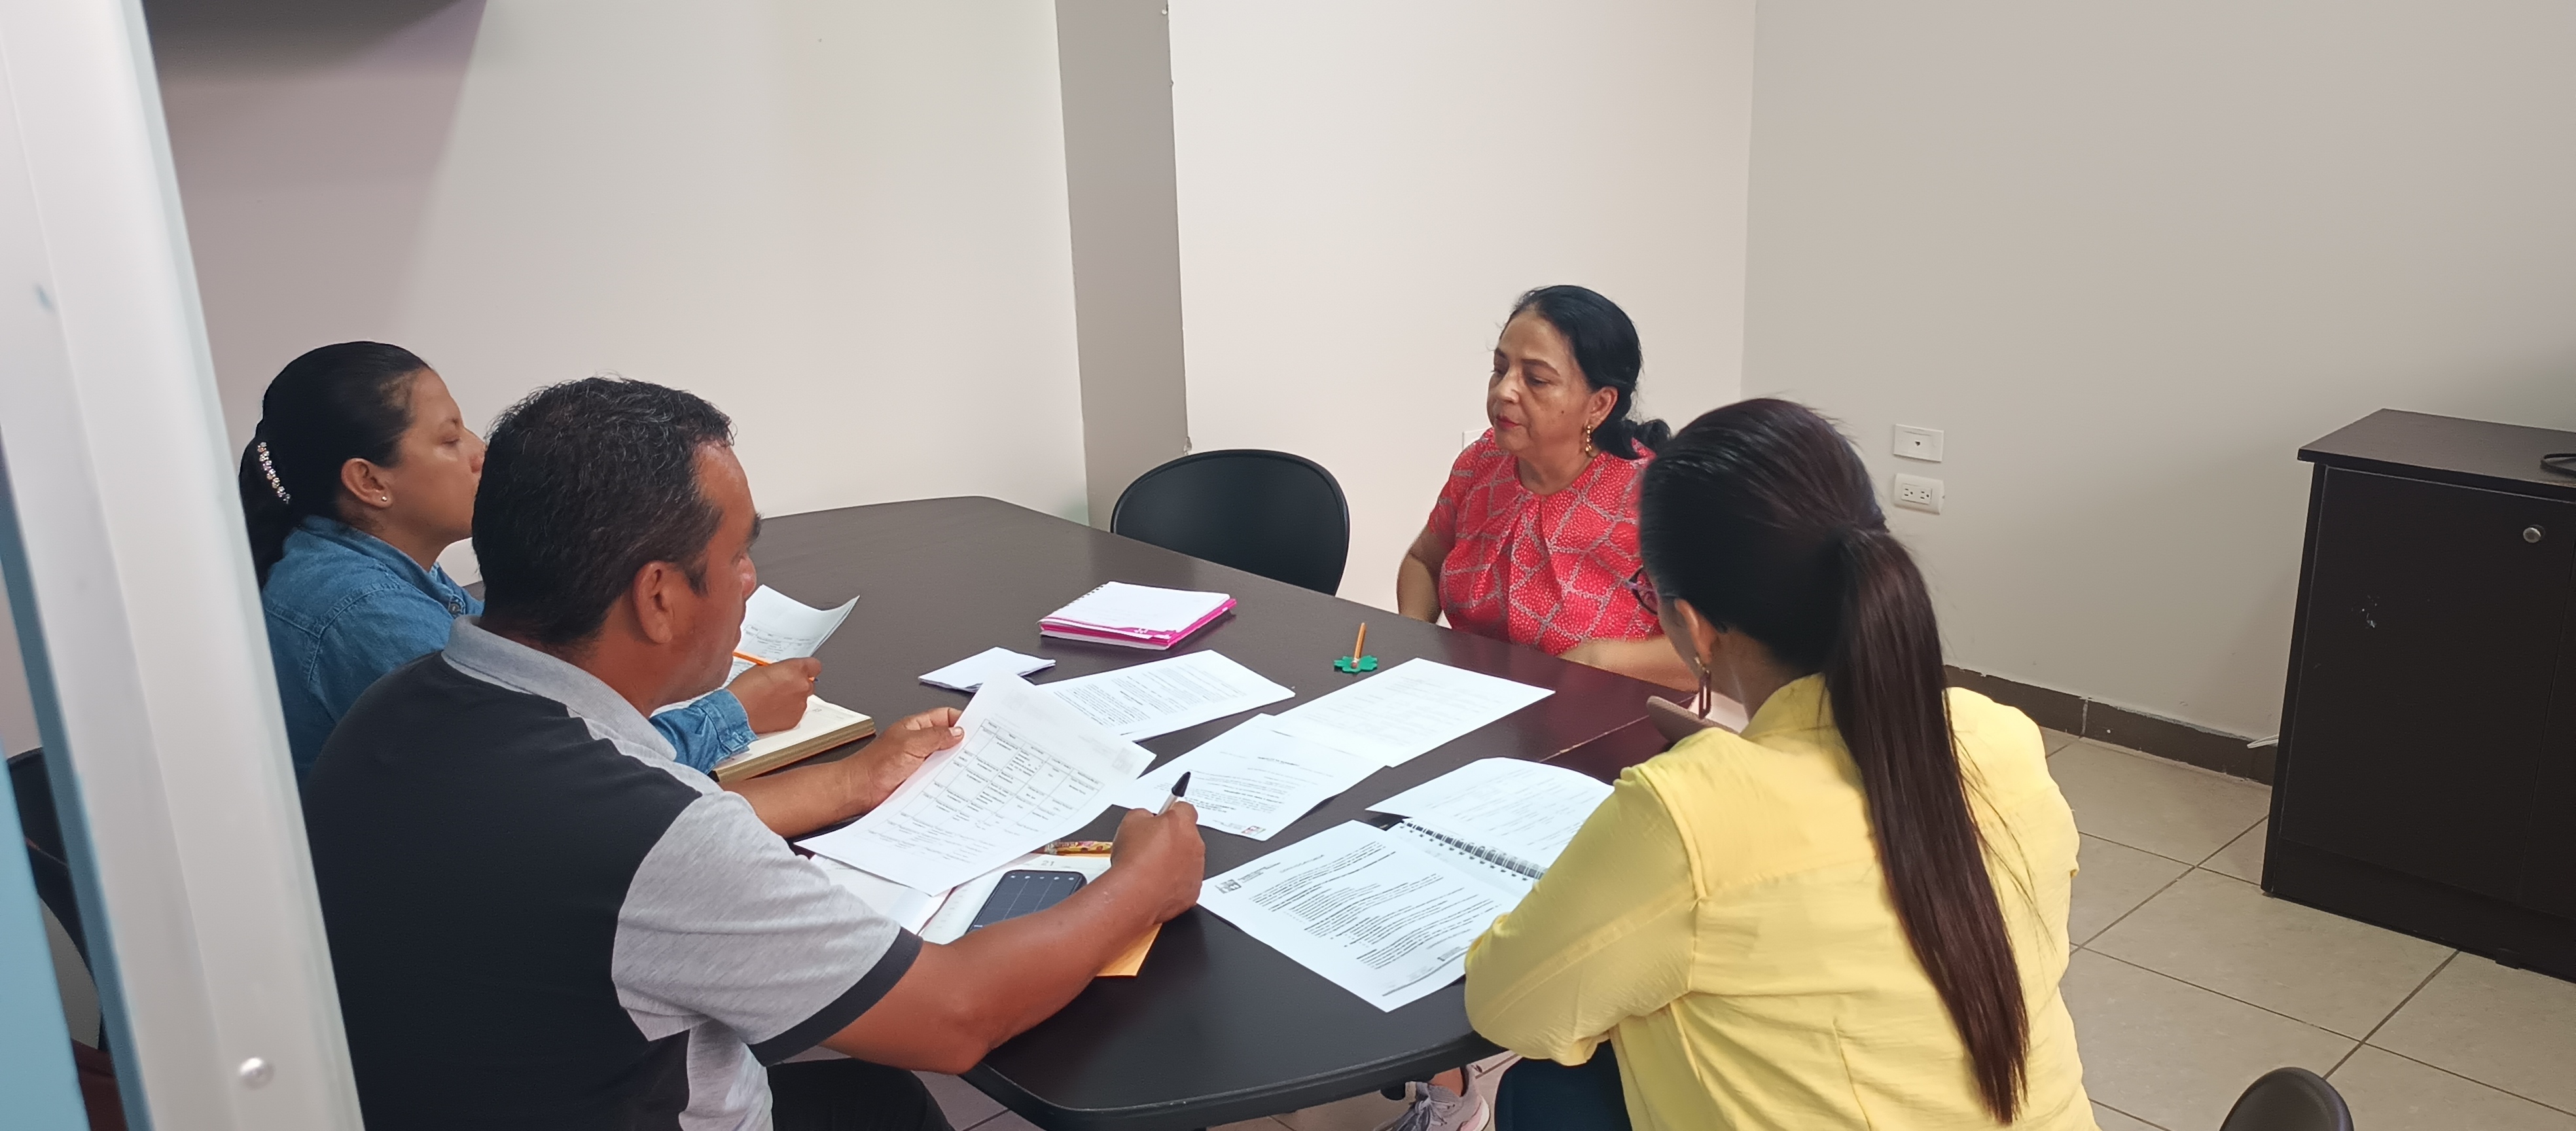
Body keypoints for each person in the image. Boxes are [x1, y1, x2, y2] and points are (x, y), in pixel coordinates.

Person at [304, 376, 1205, 1130]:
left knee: (877, 1103)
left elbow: (592, 861)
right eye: (738, 555)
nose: (751, 581)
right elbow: (954, 1015)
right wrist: (1144, 886)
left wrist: (847, 782)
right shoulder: (651, 832)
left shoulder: (393, 713)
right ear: (659, 598)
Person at [1461, 399, 2092, 1130]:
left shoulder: (1691, 810)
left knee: (1548, 1091)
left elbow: (1508, 1007)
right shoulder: (1998, 737)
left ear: (1692, 626)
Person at [238, 342, 814, 782]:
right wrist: (733, 712)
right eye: (449, 440)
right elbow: (560, 774)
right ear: (369, 482)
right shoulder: (362, 609)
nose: (480, 453)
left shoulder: (374, 564)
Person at [1396, 285, 1692, 691]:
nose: (1504, 391)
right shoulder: (1484, 461)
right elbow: (1423, 561)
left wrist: (1596, 660)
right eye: (1500, 370)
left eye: (1536, 379)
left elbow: (1707, 652)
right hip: (1472, 702)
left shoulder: (1655, 499)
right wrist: (1413, 642)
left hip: (1602, 712)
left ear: (1600, 404)